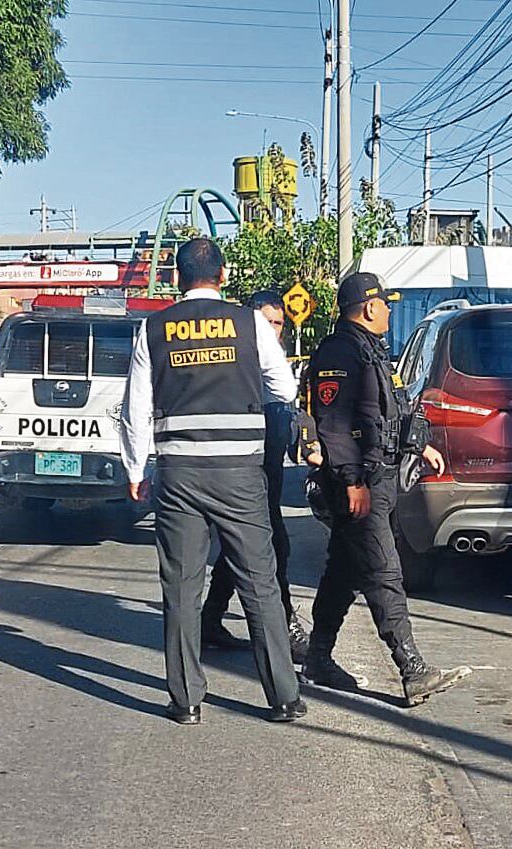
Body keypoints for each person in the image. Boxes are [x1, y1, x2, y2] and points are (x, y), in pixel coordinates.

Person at [120, 238, 304, 726]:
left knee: (182, 585)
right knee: (259, 581)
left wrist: (137, 470)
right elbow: (284, 387)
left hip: (179, 472)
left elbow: (135, 407)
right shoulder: (250, 323)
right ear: (222, 276)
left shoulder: (154, 328)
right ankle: (283, 696)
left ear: (178, 277)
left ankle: (186, 701)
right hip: (241, 472)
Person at [304, 271, 470, 706]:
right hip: (358, 482)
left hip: (376, 477)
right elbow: (335, 426)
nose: (391, 311)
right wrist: (352, 481)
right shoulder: (340, 353)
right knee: (384, 571)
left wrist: (421, 446)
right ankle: (411, 668)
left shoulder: (369, 351)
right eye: (386, 304)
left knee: (342, 573)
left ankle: (318, 658)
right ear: (369, 307)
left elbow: (386, 414)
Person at [201, 290, 312, 663]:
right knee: (272, 545)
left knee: (241, 546)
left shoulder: (278, 365)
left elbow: (292, 409)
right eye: (265, 323)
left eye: (278, 324)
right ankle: (286, 626)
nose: (272, 330)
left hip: (270, 474)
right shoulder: (234, 367)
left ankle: (210, 619)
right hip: (241, 473)